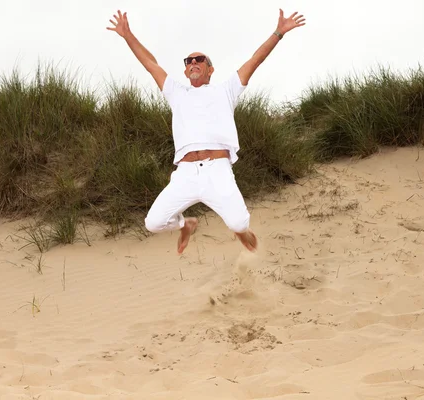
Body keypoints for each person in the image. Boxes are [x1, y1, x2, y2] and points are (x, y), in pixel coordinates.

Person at [107, 8, 306, 254]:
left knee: (239, 222)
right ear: (185, 71)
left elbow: (255, 60)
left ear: (210, 69)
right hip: (186, 173)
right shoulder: (176, 92)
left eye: (199, 59)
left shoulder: (226, 90)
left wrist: (279, 32)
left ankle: (241, 231)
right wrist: (128, 35)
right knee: (153, 223)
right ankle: (185, 224)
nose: (193, 63)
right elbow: (151, 64)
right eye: (188, 61)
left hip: (217, 170)